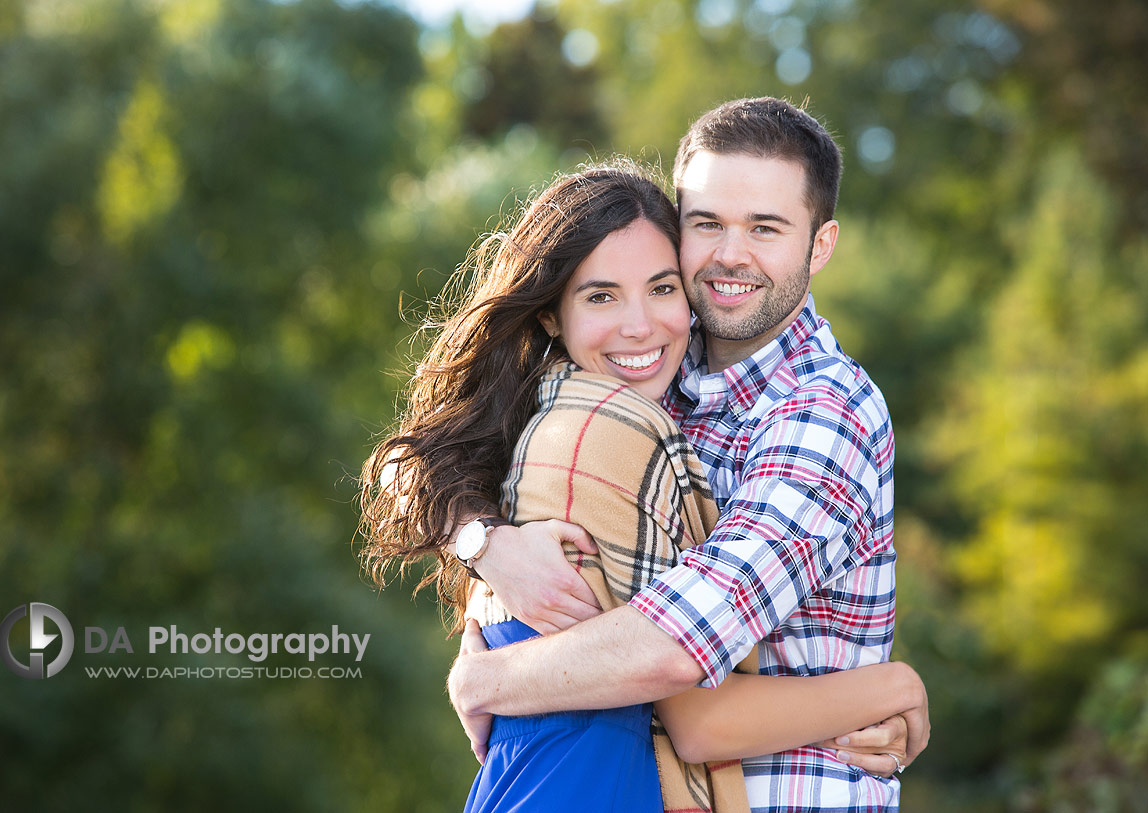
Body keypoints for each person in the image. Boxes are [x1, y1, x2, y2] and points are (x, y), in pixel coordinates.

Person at [361, 156, 926, 811]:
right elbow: (689, 696)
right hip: (577, 775)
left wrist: (485, 623)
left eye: (662, 289)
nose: (639, 325)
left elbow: (409, 462)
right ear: (551, 313)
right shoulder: (602, 425)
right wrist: (894, 686)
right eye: (601, 295)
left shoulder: (669, 385)